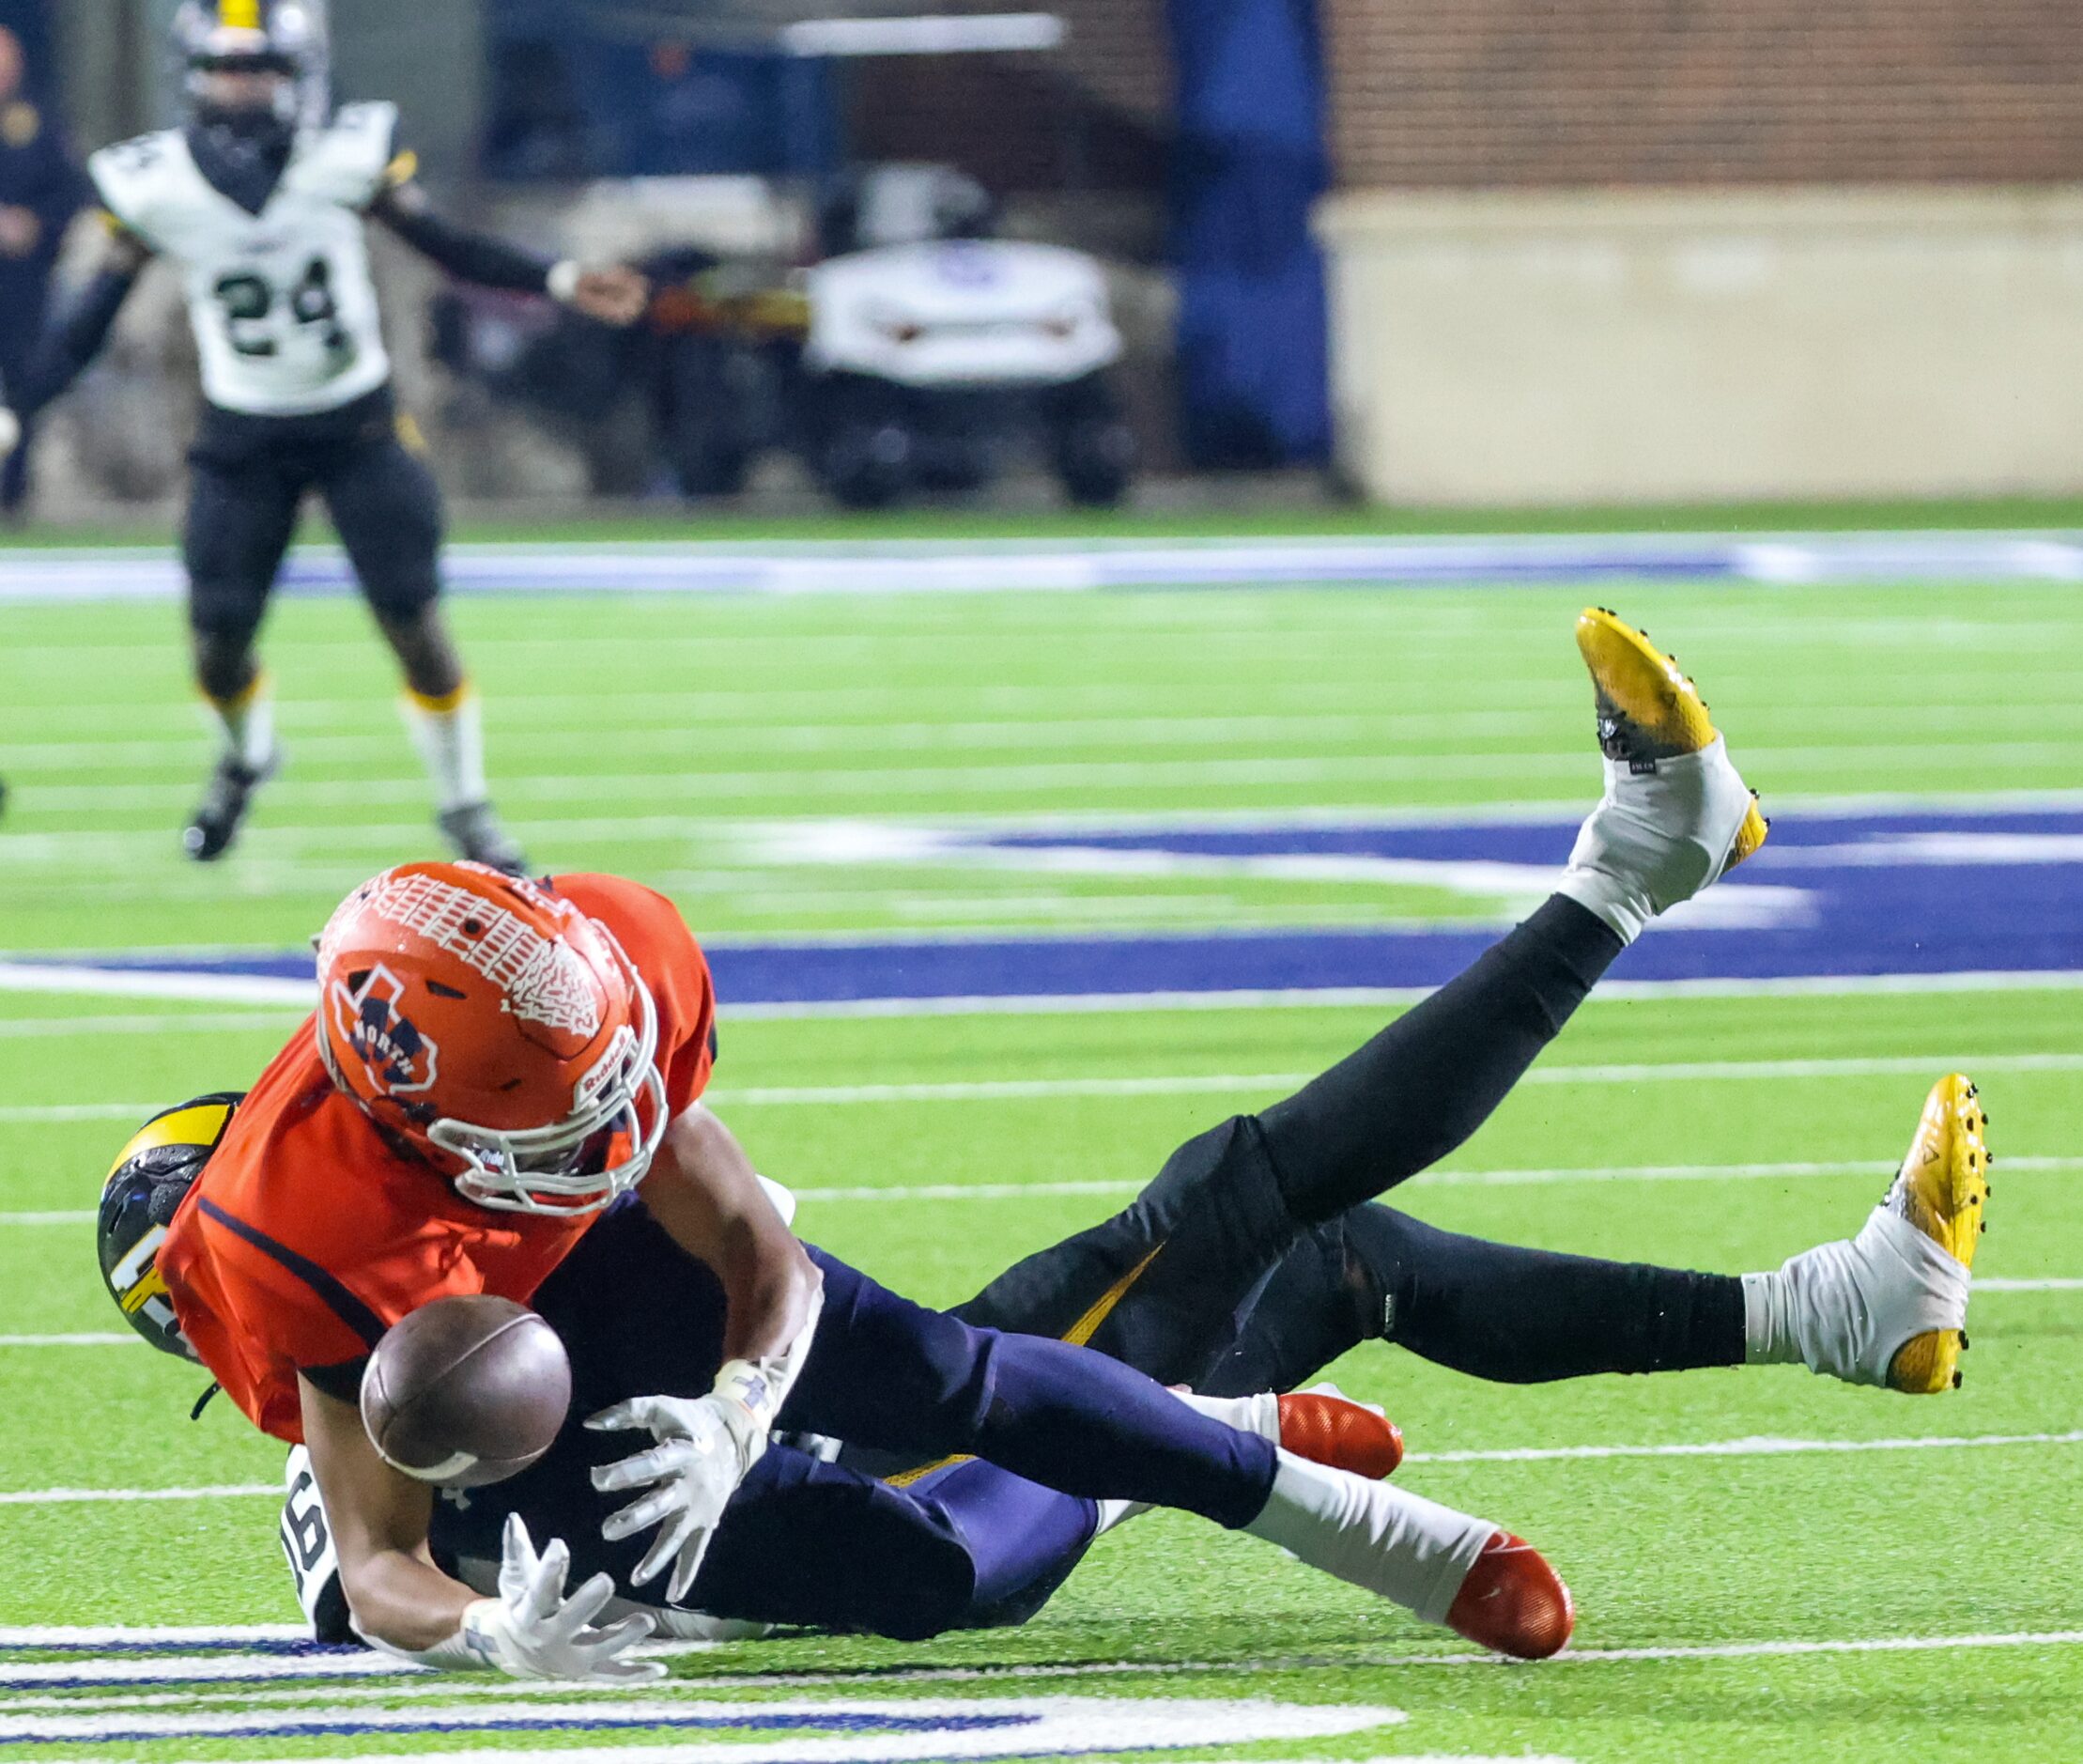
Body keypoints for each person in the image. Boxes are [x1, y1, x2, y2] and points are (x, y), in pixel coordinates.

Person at [93, 611, 1983, 1677]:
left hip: (833, 1406)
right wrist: (510, 1635)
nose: (576, 1159)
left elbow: (748, 1238)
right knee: (1255, 1211)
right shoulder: (348, 1347)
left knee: (1323, 1264)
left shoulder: (552, 1019)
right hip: (914, 1522)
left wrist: (749, 1392)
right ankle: (1628, 880)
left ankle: (1832, 1312)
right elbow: (384, 1569)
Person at [0, 1, 649, 867]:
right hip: (242, 435)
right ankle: (245, 757)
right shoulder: (155, 183)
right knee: (218, 638)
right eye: (230, 68)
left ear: (296, 73)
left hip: (357, 424)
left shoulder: (346, 156)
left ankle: (467, 806)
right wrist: (20, 404)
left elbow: (446, 245)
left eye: (262, 67)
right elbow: (89, 319)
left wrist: (558, 277)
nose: (244, 85)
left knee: (415, 623)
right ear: (196, 75)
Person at [0, 23, 87, 518]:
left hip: (19, 283)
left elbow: (72, 194)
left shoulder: (37, 123)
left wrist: (34, 227)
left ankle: (12, 496)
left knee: (24, 382)